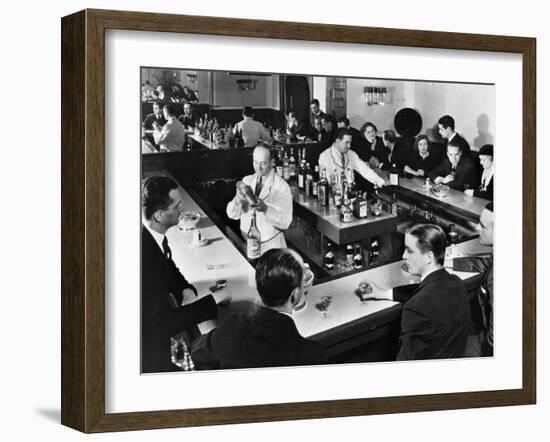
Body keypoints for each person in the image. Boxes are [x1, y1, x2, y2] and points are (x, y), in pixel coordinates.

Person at [141, 176, 231, 373]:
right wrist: (214, 299)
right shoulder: (144, 260)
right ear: (159, 215)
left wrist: (184, 288)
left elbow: (168, 266)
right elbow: (163, 323)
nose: (182, 209)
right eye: (177, 205)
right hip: (148, 355)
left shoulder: (150, 235)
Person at [191, 248, 328, 369]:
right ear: (296, 294)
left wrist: (220, 337)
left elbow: (196, 351)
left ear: (259, 283)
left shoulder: (230, 329)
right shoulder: (313, 354)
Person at [394, 224, 471, 360]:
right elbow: (427, 290)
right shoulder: (456, 283)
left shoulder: (415, 308)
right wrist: (384, 292)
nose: (403, 256)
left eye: (409, 250)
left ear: (428, 257)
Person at [226, 145, 292, 253]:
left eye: (263, 163)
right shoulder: (247, 181)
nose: (258, 168)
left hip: (271, 246)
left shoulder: (281, 186)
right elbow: (232, 215)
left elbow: (286, 222)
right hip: (248, 244)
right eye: (255, 163)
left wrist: (266, 209)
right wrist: (237, 200)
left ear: (272, 162)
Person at [452, 202, 494, 357]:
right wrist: (452, 263)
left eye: (483, 226)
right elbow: (487, 263)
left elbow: (495, 340)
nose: (477, 228)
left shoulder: (496, 278)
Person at [318, 128, 386, 189]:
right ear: (338, 141)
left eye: (350, 142)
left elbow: (365, 171)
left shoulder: (351, 154)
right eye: (346, 142)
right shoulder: (325, 156)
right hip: (334, 195)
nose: (349, 146)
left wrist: (382, 183)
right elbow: (327, 181)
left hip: (351, 193)